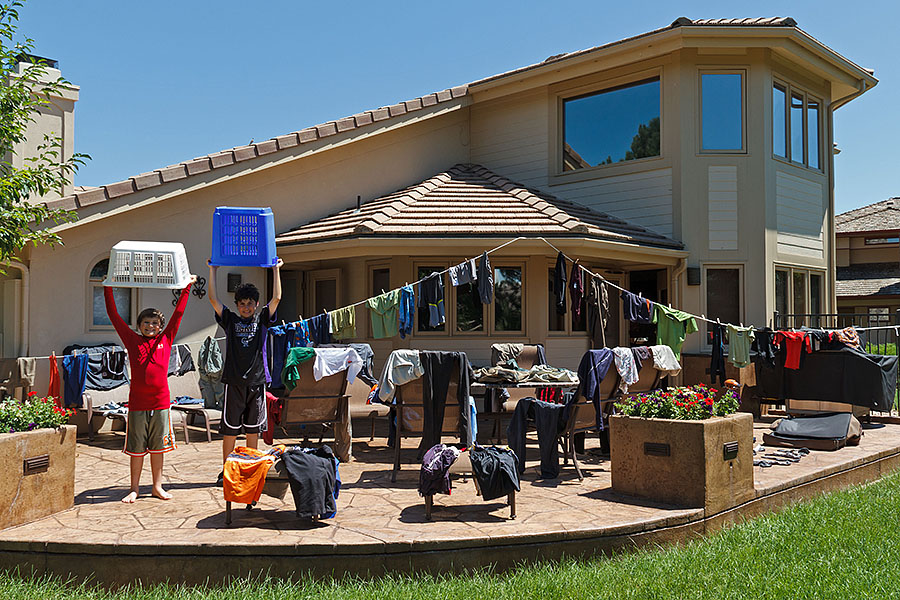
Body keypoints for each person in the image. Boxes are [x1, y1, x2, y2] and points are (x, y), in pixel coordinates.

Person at [104, 274, 197, 503]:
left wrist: (186, 287)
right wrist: (107, 287)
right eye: (146, 323)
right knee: (136, 450)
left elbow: (178, 314)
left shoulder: (166, 338)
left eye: (155, 323)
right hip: (137, 405)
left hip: (161, 404)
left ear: (161, 326)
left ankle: (157, 486)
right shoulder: (132, 340)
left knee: (158, 448)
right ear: (139, 326)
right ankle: (134, 488)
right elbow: (114, 316)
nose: (151, 326)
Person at [208, 258, 283, 485]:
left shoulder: (262, 319)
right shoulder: (230, 320)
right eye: (242, 304)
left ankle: (251, 469)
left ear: (256, 304)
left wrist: (275, 270)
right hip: (233, 382)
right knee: (230, 430)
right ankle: (226, 471)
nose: (246, 307)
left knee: (253, 430)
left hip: (257, 382)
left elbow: (277, 298)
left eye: (250, 303)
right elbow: (213, 298)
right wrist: (213, 270)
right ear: (237, 305)